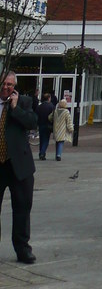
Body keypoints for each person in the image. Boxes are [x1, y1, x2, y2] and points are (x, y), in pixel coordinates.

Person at [0, 72, 37, 263]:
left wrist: (15, 108)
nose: (6, 87)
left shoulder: (23, 102)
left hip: (19, 166)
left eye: (10, 84)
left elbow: (32, 122)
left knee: (22, 208)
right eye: (4, 83)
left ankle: (23, 248)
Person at [35, 94, 54, 161]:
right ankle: (42, 153)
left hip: (41, 124)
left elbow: (36, 116)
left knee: (42, 139)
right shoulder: (51, 106)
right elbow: (53, 116)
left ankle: (41, 152)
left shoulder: (39, 107)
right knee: (46, 140)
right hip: (48, 125)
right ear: (49, 98)